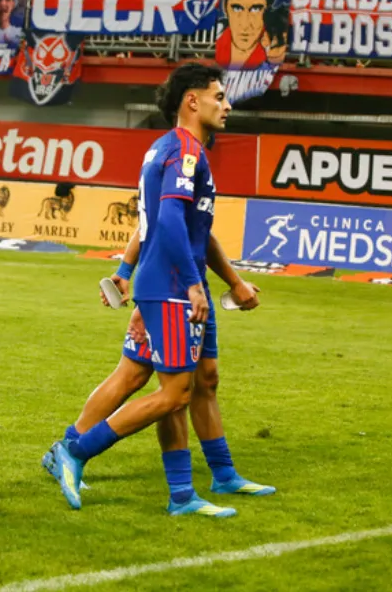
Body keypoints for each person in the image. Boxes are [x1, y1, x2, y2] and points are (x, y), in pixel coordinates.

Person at [45, 63, 248, 517]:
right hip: (176, 288)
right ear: (192, 101)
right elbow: (170, 222)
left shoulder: (171, 149)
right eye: (219, 96)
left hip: (173, 284)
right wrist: (195, 285)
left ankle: (199, 486)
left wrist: (226, 280)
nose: (227, 104)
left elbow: (181, 225)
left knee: (193, 380)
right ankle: (74, 451)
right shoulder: (184, 153)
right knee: (174, 393)